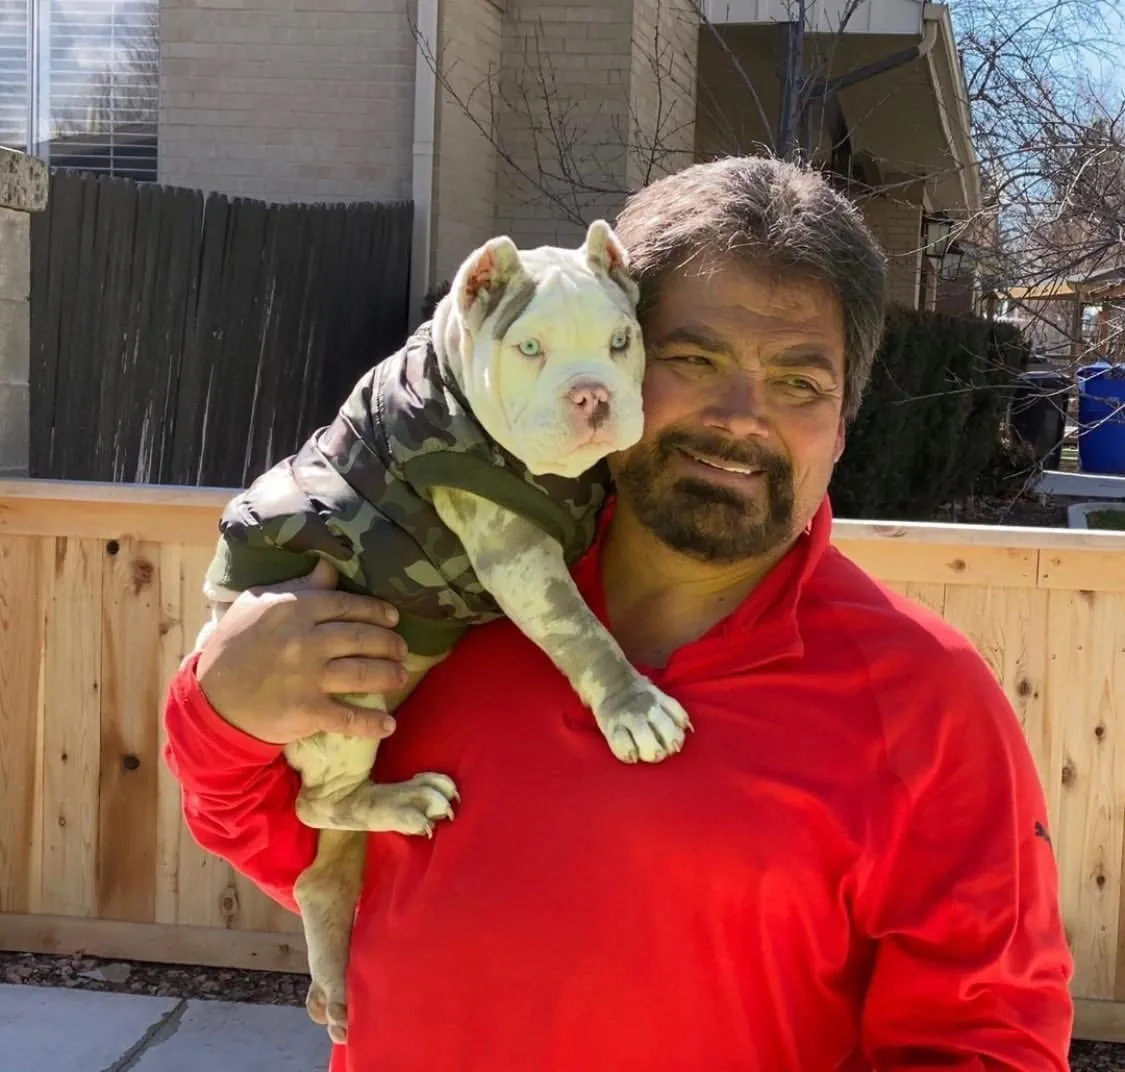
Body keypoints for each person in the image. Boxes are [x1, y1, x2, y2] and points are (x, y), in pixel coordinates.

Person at [162, 154, 1074, 1070]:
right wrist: (219, 712)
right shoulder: (439, 594)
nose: (740, 416)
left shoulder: (923, 700)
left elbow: (987, 1037)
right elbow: (282, 840)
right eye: (692, 357)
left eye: (799, 383)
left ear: (841, 426)